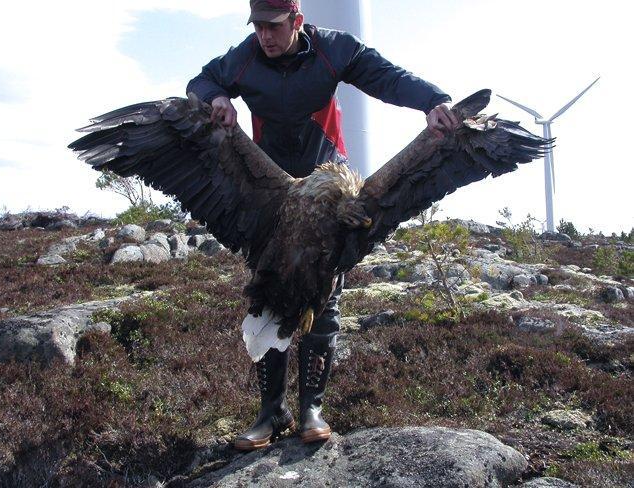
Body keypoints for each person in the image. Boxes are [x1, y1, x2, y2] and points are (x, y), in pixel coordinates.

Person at [186, 0, 457, 451]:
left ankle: (311, 407)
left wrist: (433, 100)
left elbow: (387, 77)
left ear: (296, 21)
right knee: (269, 294)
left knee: (323, 298)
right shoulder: (246, 56)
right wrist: (216, 97)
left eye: (273, 27)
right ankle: (271, 413)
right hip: (269, 194)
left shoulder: (334, 49)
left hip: (329, 188)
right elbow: (203, 78)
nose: (264, 36)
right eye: (257, 27)